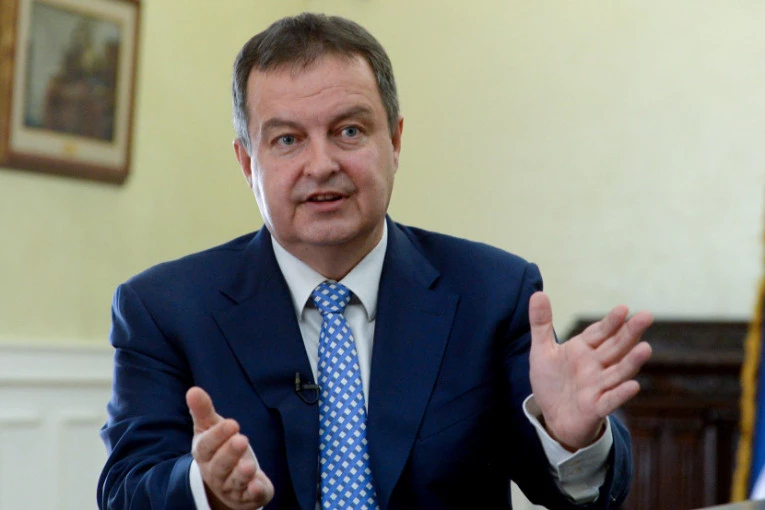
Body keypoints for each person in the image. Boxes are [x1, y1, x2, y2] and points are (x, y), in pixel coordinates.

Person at [98, 12, 652, 510]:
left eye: (349, 131)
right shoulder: (163, 310)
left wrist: (569, 437)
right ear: (247, 163)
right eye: (287, 140)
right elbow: (125, 490)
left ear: (395, 141)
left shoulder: (494, 294)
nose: (321, 165)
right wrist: (205, 490)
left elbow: (581, 492)